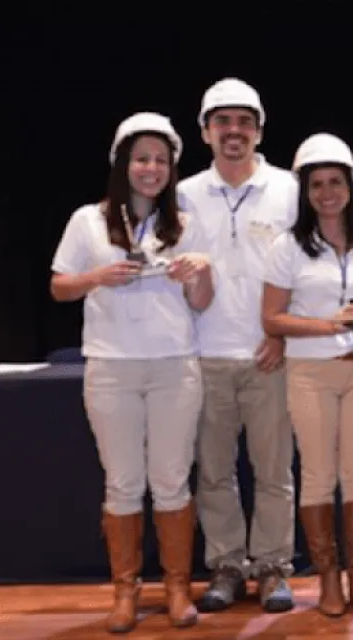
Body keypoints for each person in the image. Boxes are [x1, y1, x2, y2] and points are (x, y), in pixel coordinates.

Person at [50, 112, 214, 632]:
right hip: (111, 366)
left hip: (174, 366)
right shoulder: (88, 221)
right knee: (122, 482)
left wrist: (199, 273)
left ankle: (177, 587)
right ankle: (125, 591)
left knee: (171, 480)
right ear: (123, 164)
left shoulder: (185, 223)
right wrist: (96, 276)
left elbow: (203, 303)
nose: (151, 169)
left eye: (161, 161)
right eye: (142, 159)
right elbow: (59, 287)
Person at [176, 77, 299, 613]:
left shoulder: (290, 189)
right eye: (222, 121)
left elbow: (307, 269)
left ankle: (273, 568)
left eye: (244, 121)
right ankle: (226, 566)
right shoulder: (181, 194)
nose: (234, 131)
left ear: (260, 130)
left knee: (274, 472)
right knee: (214, 472)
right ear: (205, 131)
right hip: (204, 356)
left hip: (269, 354)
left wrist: (282, 333)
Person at [261, 133, 353, 618]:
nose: (327, 193)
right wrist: (329, 323)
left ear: (351, 185)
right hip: (310, 371)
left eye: (335, 182)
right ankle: (328, 581)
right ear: (305, 191)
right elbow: (272, 319)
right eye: (317, 185)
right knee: (317, 477)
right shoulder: (287, 247)